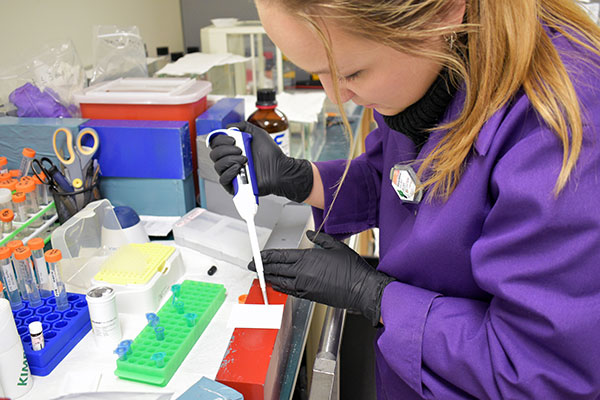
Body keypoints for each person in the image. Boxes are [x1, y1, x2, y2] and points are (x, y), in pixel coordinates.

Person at [209, 0, 600, 398]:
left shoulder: (561, 131)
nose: (339, 97)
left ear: (444, 12)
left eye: (351, 73)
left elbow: (539, 372)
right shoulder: (433, 62)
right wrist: (301, 179)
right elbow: (401, 180)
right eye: (317, 74)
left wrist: (377, 298)